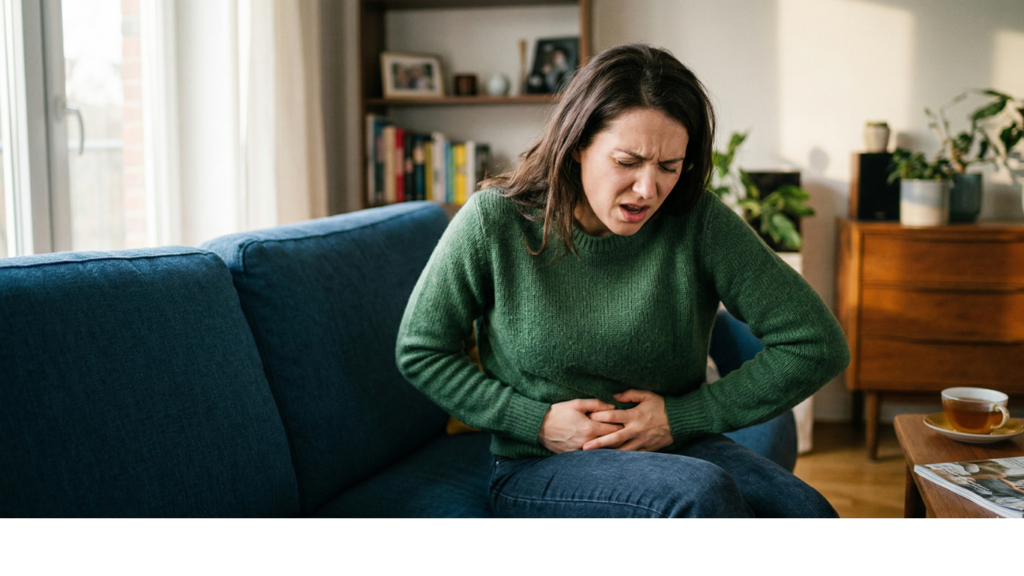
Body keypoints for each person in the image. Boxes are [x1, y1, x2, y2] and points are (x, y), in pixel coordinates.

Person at [396, 43, 850, 518]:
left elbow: (816, 342)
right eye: (628, 162)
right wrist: (536, 422)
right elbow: (421, 348)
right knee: (701, 496)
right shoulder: (496, 221)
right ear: (577, 147)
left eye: (670, 167)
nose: (648, 189)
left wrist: (682, 418)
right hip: (542, 463)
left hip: (676, 447)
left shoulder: (697, 222)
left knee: (807, 512)